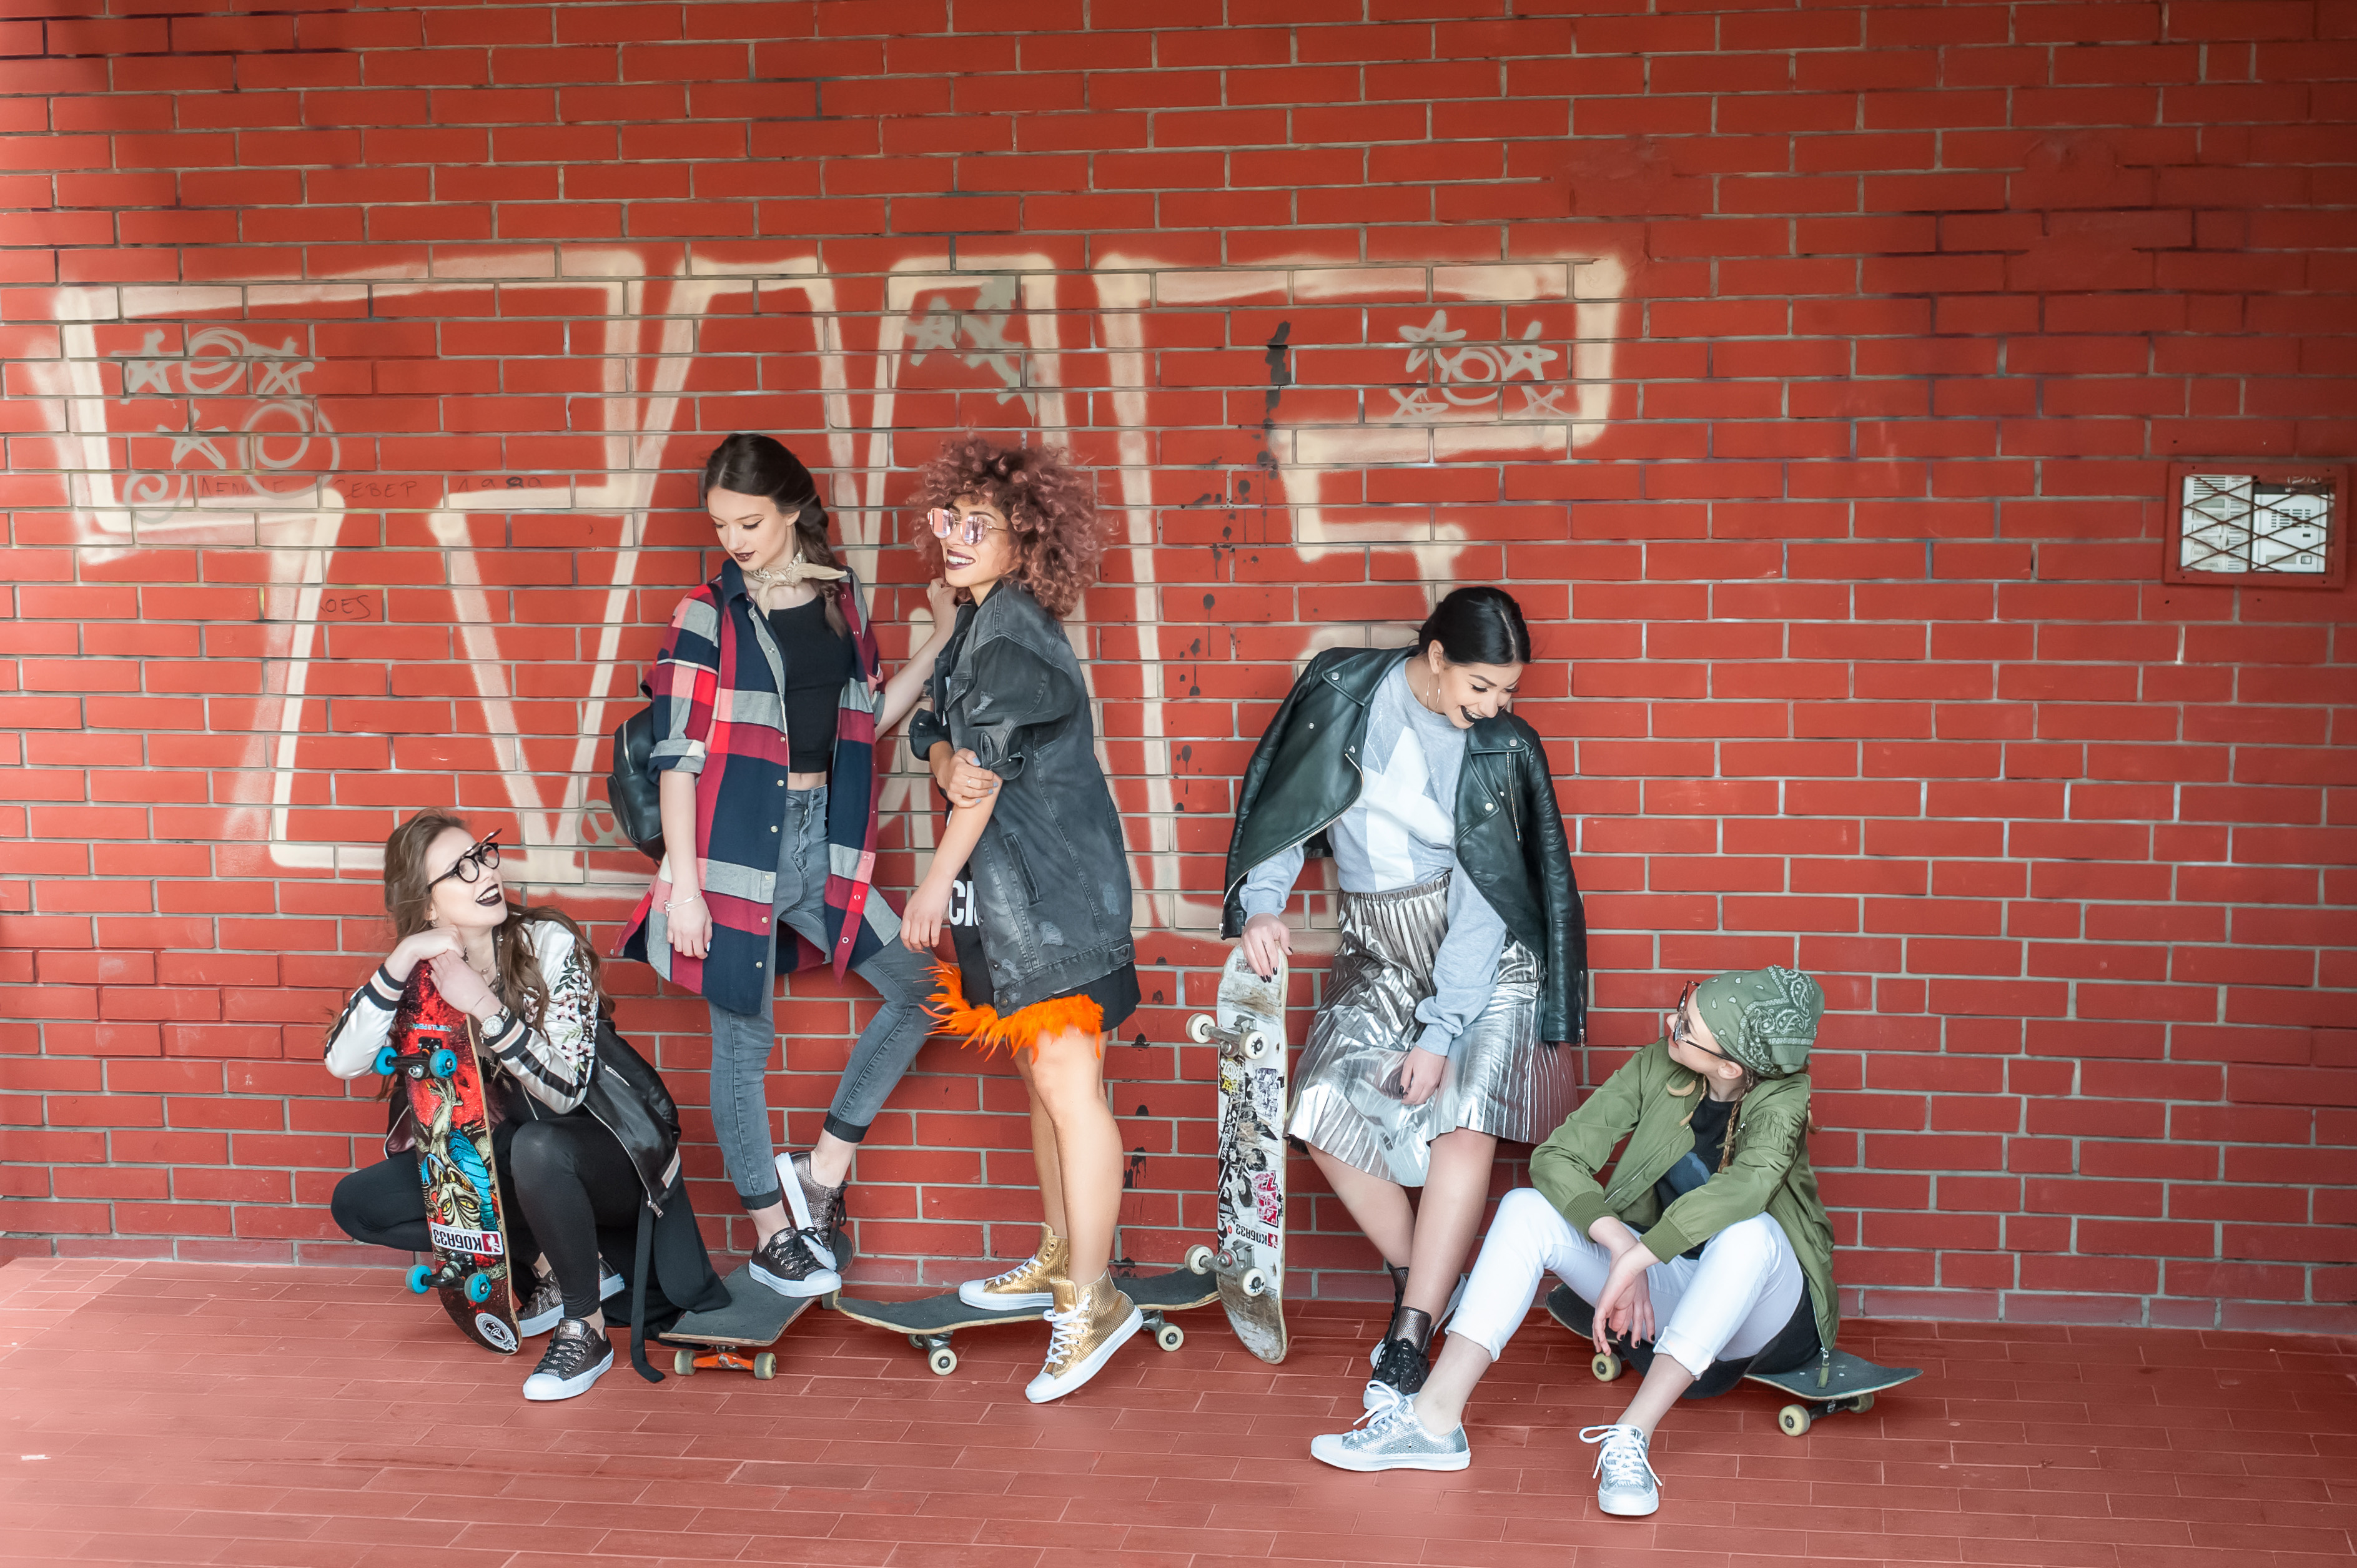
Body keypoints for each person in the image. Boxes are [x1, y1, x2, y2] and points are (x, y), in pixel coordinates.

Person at [1221, 586, 1588, 1410]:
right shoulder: (1342, 689)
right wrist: (1263, 905)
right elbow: (1290, 802)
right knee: (1319, 1106)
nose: (1492, 707)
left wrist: (1440, 1031)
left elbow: (1485, 894)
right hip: (1380, 943)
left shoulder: (1497, 746)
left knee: (1464, 1118)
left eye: (1507, 692)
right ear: (1436, 657)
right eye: (1480, 686)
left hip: (1484, 955)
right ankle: (1428, 1277)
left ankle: (1411, 1333)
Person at [1308, 967, 1837, 1522]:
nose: (1670, 1022)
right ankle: (1433, 1419)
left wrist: (1640, 1256)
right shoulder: (1659, 1063)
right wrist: (1619, 1244)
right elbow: (1557, 1156)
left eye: (1687, 1027)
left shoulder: (1784, 1096)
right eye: (1684, 1006)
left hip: (1763, 1311)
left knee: (1750, 1232)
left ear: (1731, 1065)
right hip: (1671, 1289)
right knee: (1525, 1208)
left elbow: (1745, 1188)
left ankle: (1631, 1438)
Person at [616, 433, 954, 1302]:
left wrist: (941, 642)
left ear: (794, 509)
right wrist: (686, 887)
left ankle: (820, 1168)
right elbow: (677, 758)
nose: (734, 539)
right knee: (744, 1043)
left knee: (924, 991)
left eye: (750, 522)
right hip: (730, 854)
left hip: (821, 842)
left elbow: (865, 716)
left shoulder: (838, 598)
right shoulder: (706, 614)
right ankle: (775, 1236)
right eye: (721, 525)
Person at [892, 433, 1140, 1404]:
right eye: (947, 518)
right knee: (1047, 1085)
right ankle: (1062, 1255)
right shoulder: (980, 620)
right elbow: (937, 736)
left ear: (1025, 539)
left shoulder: (1008, 635)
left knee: (1070, 1089)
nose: (953, 536)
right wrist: (942, 754)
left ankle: (1094, 1298)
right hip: (1017, 899)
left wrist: (929, 883)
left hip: (1052, 901)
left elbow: (982, 778)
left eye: (978, 524)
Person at [325, 809, 728, 1401]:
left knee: (536, 1146)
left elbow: (564, 1091)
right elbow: (343, 1061)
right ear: (427, 904)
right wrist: (401, 958)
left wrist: (485, 1006)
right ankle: (548, 1267)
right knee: (357, 1203)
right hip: (507, 1163)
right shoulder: (419, 973)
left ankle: (586, 1326)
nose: (486, 871)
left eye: (482, 855)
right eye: (461, 869)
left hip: (607, 1155)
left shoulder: (548, 943)